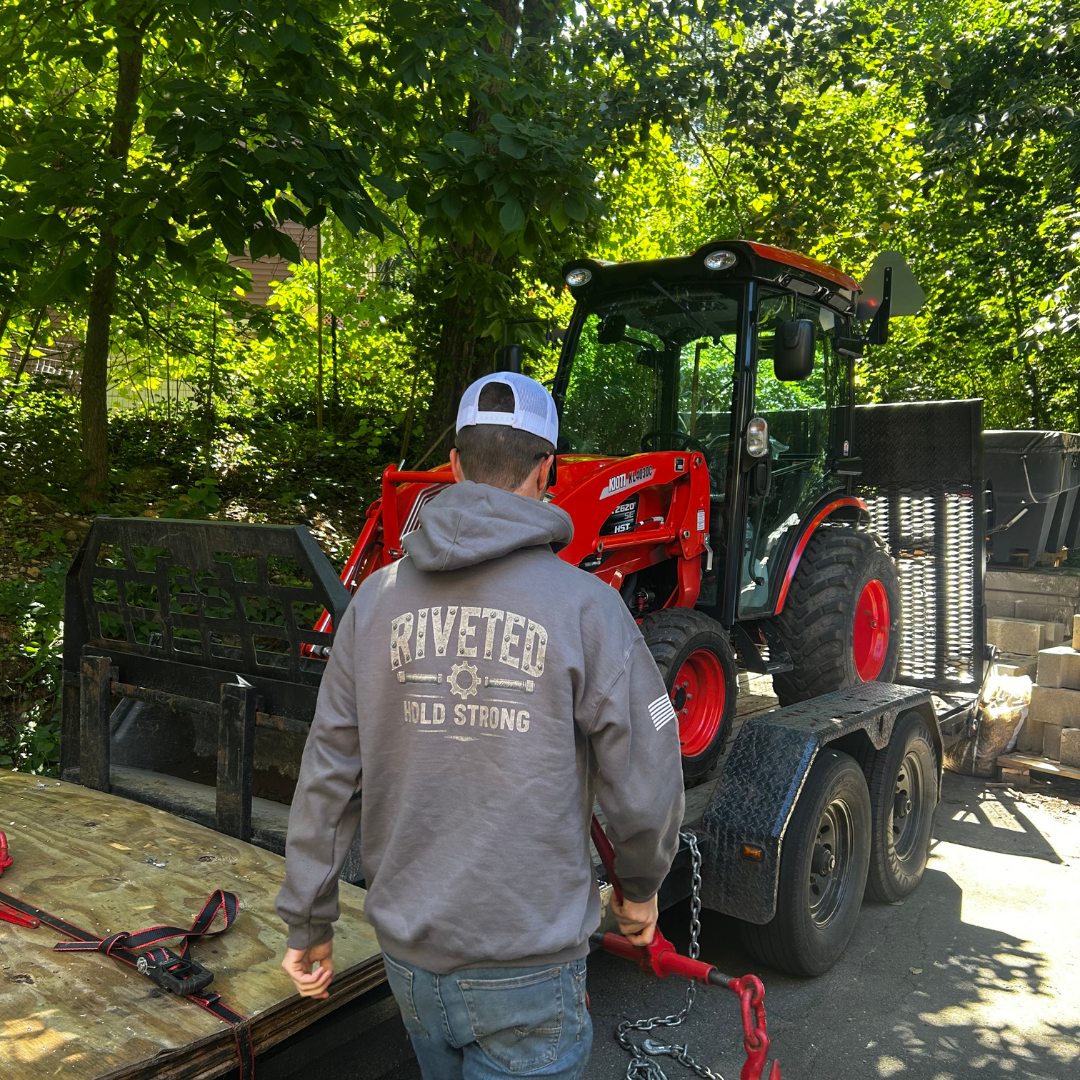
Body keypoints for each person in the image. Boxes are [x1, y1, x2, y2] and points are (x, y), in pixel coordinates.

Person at [276, 371, 685, 1080]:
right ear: (547, 471)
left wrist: (308, 922)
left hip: (410, 965)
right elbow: (646, 773)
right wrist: (641, 888)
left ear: (456, 466)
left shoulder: (373, 602)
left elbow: (328, 777)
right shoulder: (589, 609)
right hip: (526, 967)